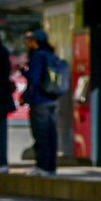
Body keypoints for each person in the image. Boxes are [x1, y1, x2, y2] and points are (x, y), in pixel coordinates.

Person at [22, 28, 65, 176]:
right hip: (52, 100)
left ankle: (42, 166)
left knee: (40, 134)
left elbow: (34, 79)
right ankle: (51, 167)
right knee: (50, 134)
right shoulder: (51, 55)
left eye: (30, 41)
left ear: (35, 42)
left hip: (39, 101)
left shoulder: (38, 56)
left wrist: (23, 72)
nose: (28, 44)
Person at [0, 28, 14, 171]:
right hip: (2, 100)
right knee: (2, 133)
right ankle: (2, 163)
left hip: (1, 99)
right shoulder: (3, 52)